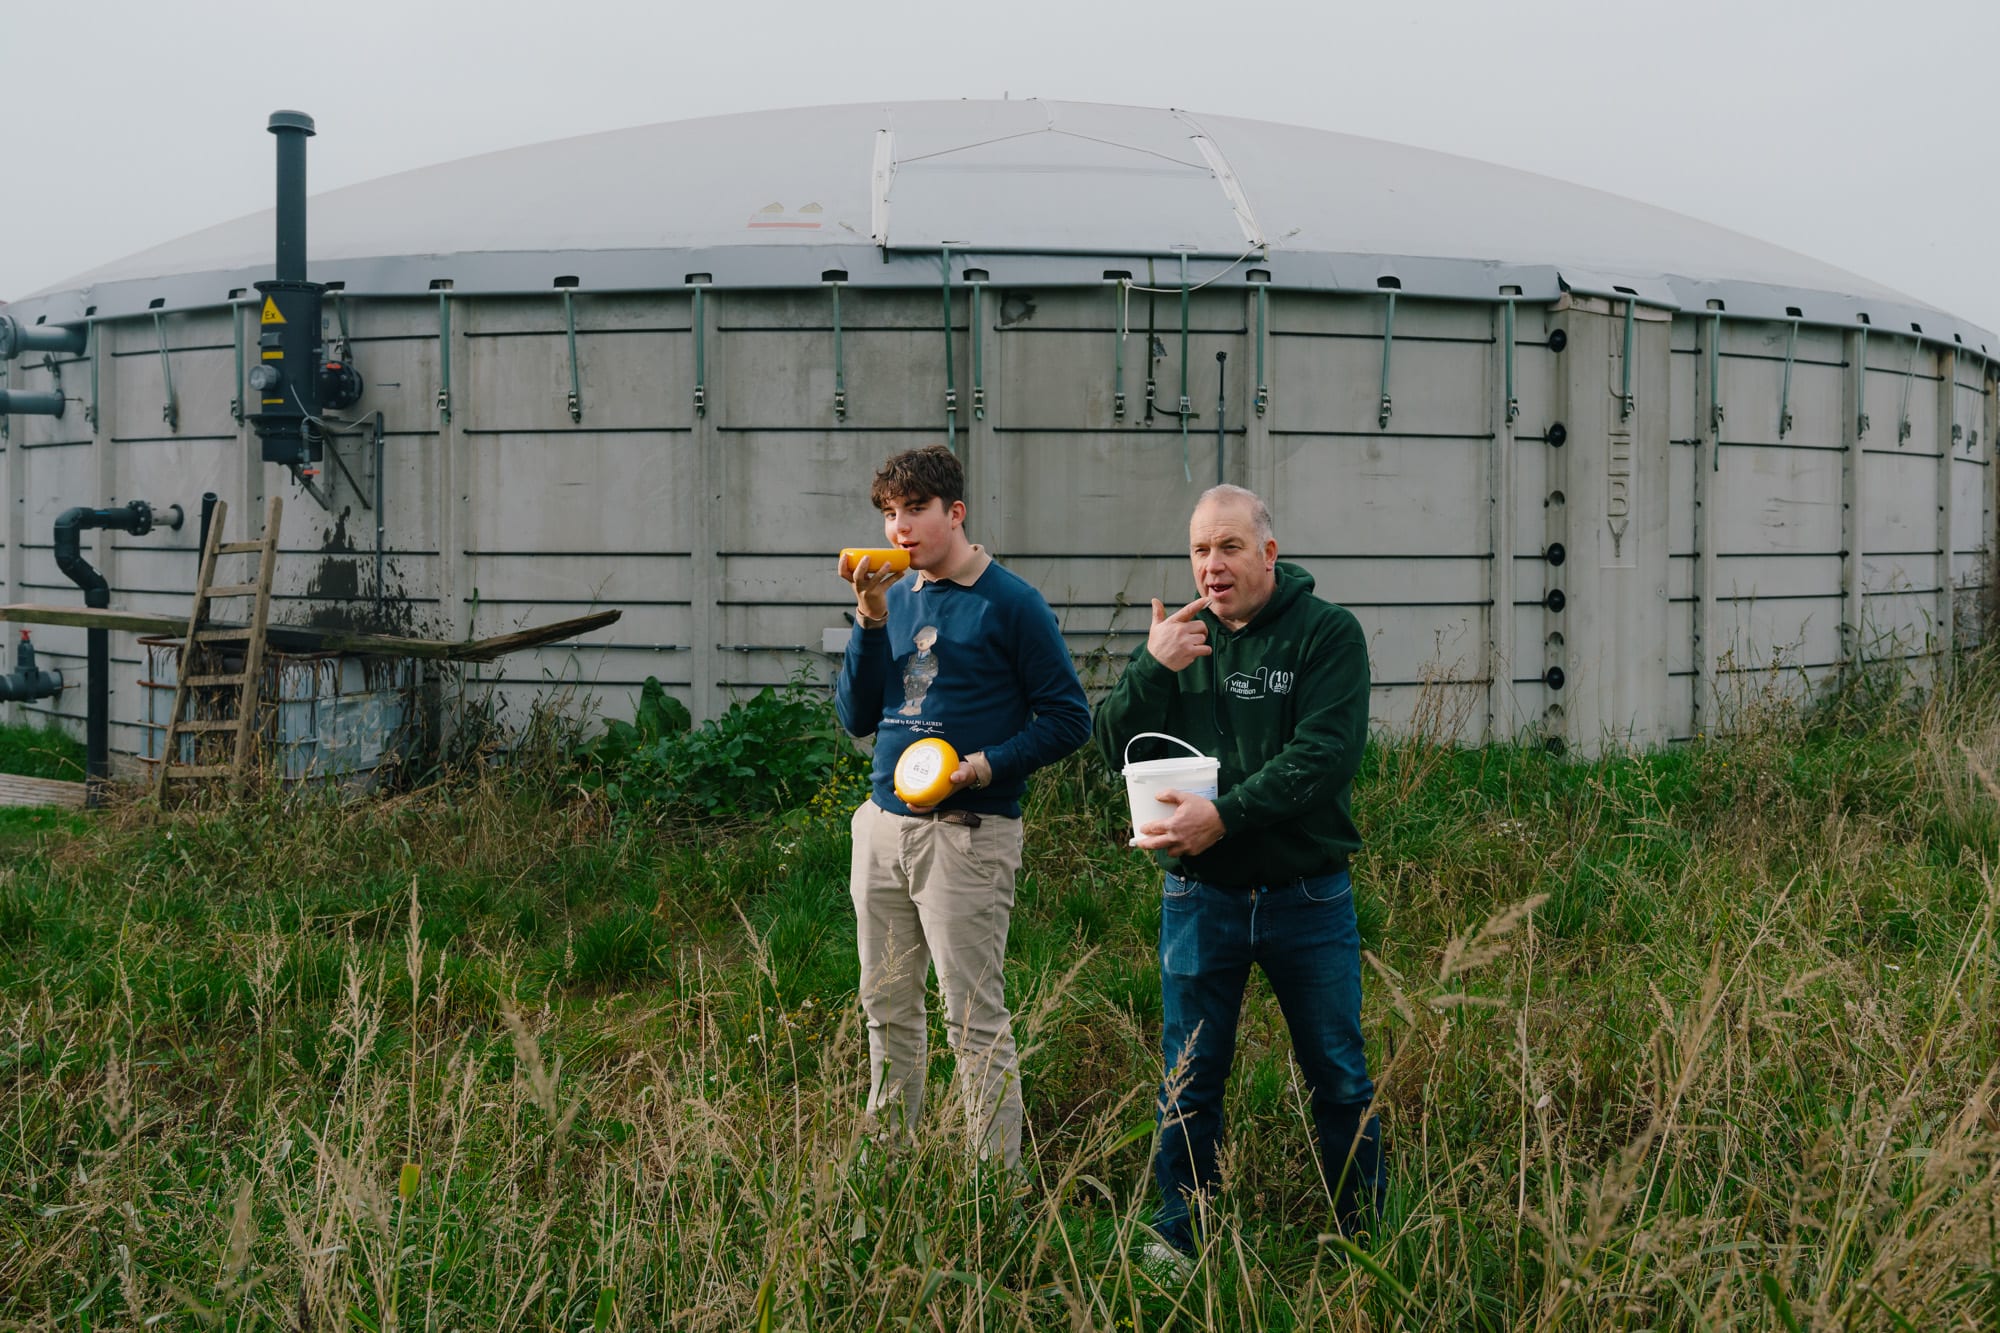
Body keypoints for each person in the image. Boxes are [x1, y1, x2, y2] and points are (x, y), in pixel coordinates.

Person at [1092, 483, 1385, 1256]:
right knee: (1190, 1080)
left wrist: (1223, 815)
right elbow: (1107, 744)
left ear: (1268, 553)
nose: (1211, 566)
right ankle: (1179, 1238)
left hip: (1306, 895)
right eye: (1198, 550)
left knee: (1339, 1077)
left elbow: (1322, 758)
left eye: (1228, 547)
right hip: (1200, 896)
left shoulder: (1326, 635)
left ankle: (1367, 1237)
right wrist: (1152, 670)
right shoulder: (1178, 640)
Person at [834, 445, 1090, 1167]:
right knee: (885, 1010)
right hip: (882, 827)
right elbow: (856, 717)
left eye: (914, 510)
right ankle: (886, 1170)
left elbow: (1070, 718)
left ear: (956, 512)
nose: (899, 529)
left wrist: (982, 768)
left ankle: (993, 1202)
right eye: (888, 513)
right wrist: (869, 618)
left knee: (972, 1021)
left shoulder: (1012, 602)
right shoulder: (893, 593)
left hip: (966, 832)